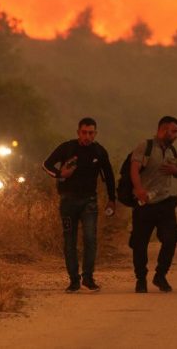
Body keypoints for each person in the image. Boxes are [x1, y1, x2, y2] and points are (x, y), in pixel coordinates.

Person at [42, 117, 116, 293]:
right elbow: (46, 165)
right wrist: (61, 173)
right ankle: (74, 280)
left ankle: (88, 278)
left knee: (90, 239)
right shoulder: (67, 147)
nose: (87, 136)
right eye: (84, 132)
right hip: (68, 200)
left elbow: (109, 176)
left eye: (91, 133)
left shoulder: (99, 152)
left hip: (89, 201)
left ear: (95, 134)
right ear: (78, 132)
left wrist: (112, 199)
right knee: (70, 241)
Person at [129, 116, 177, 293]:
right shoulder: (145, 146)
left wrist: (175, 171)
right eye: (173, 131)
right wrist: (139, 189)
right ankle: (141, 279)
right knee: (139, 242)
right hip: (145, 203)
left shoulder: (172, 151)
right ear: (163, 130)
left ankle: (160, 275)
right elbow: (134, 169)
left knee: (171, 239)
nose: (176, 135)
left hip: (165, 202)